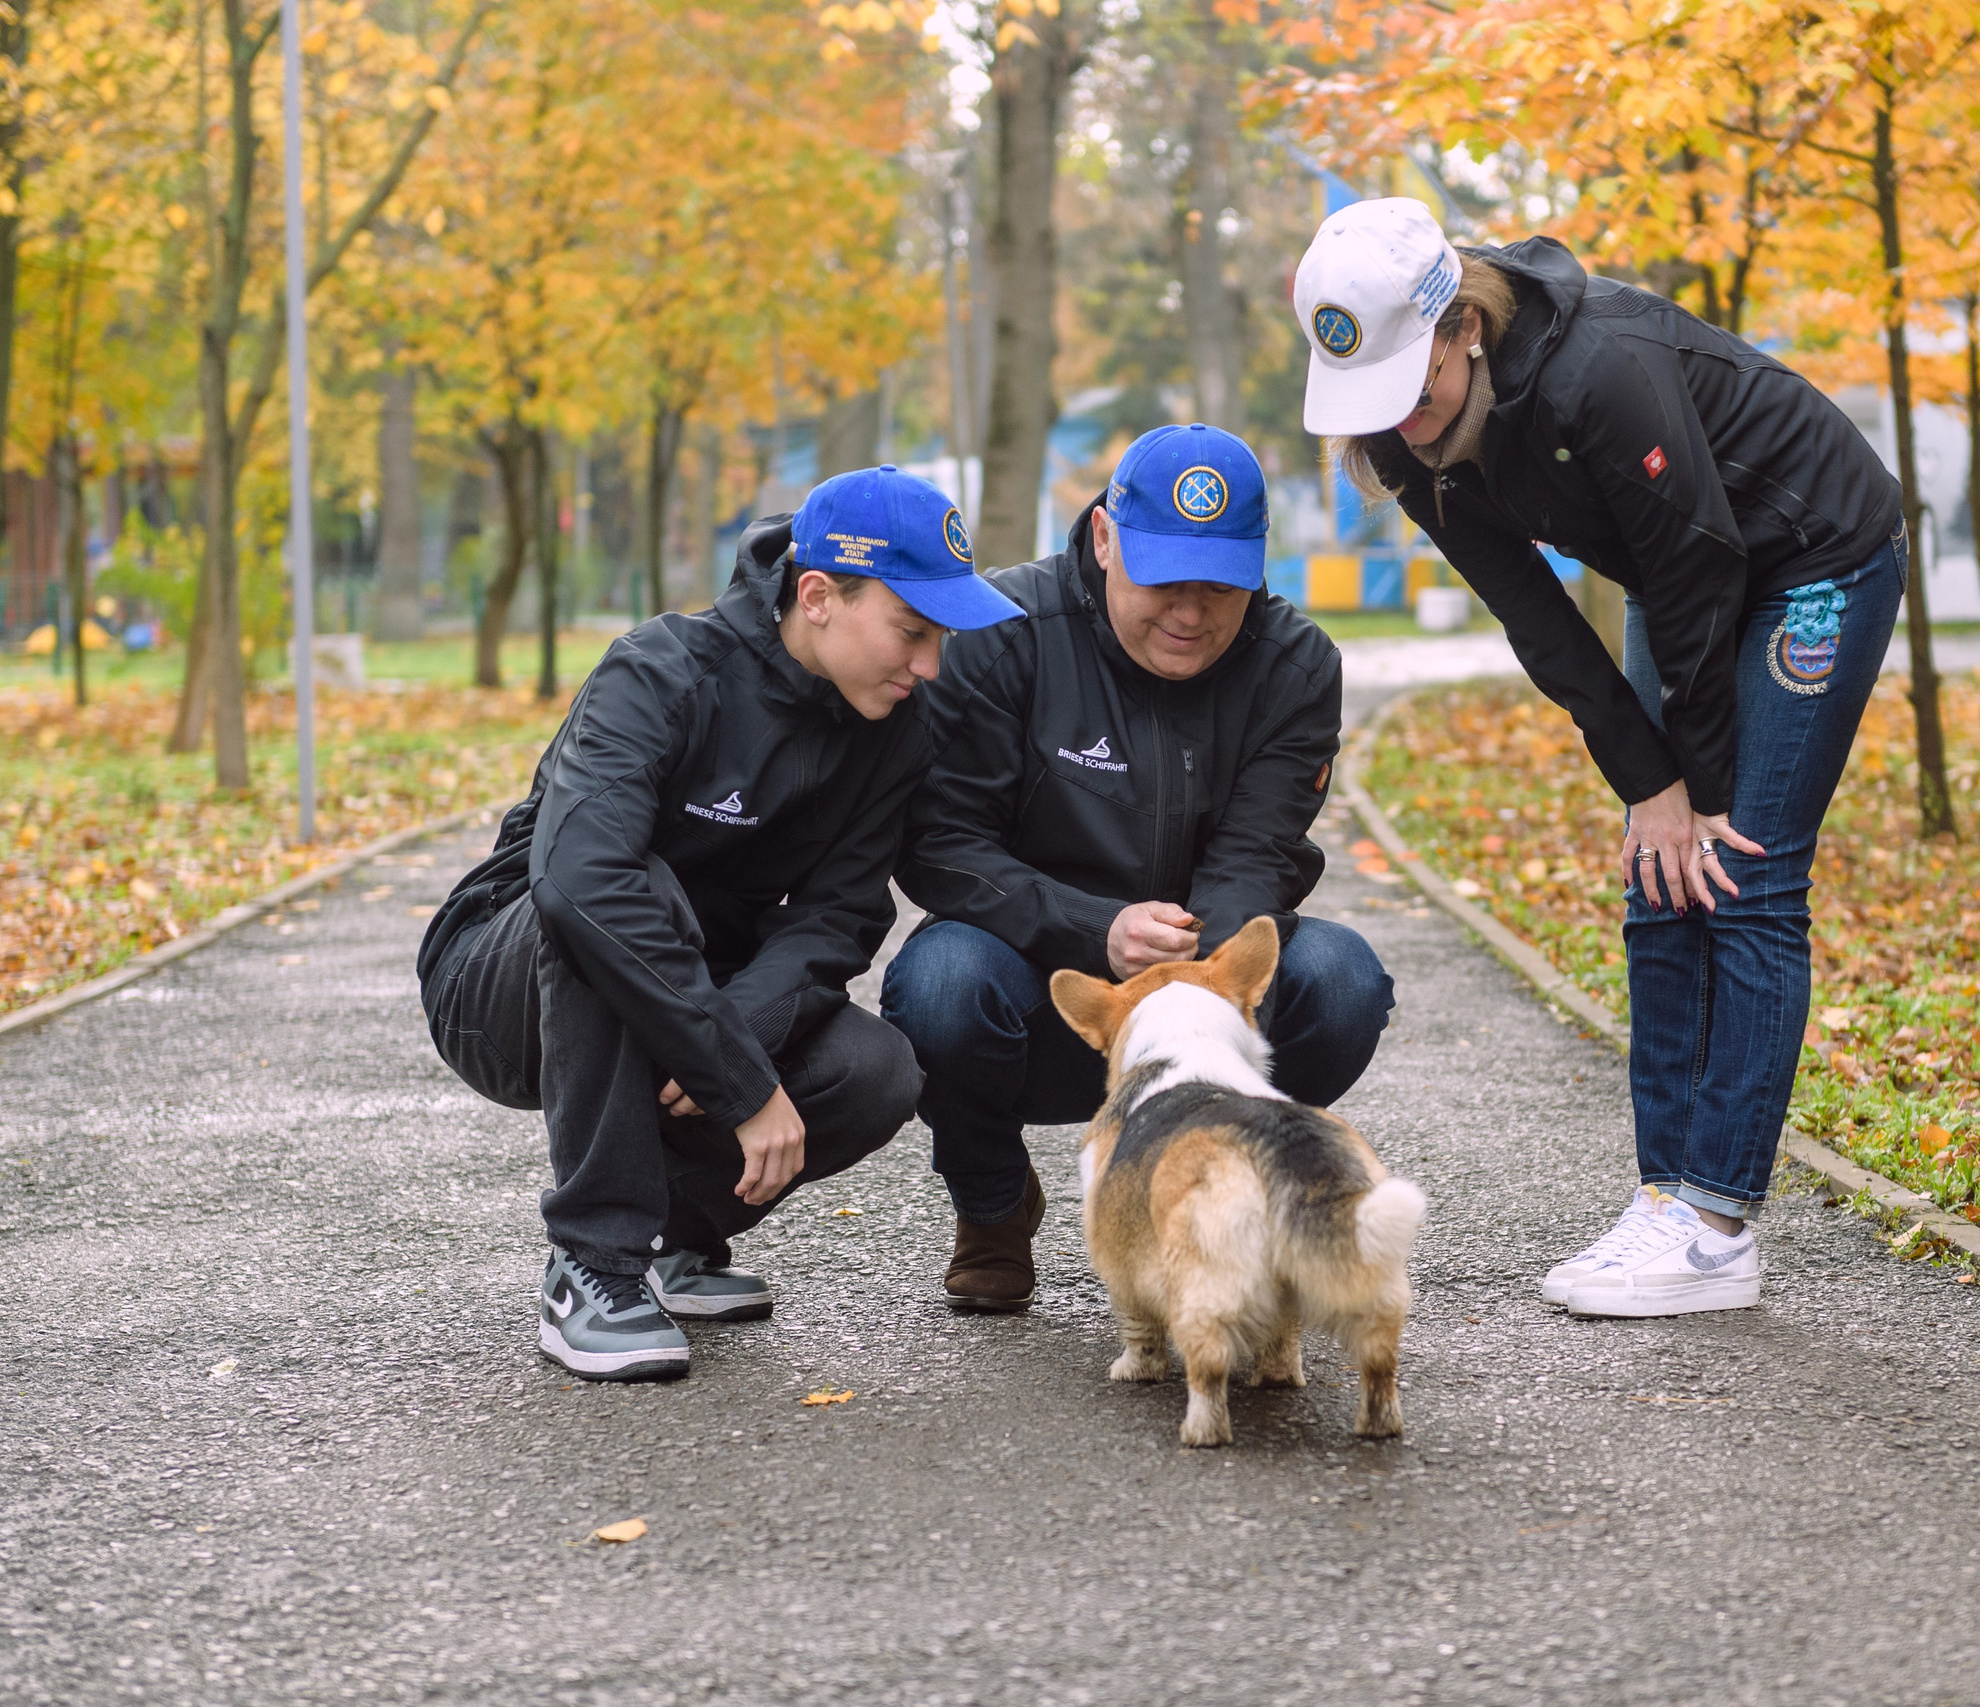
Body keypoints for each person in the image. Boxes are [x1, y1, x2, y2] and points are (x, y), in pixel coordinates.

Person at [1294, 198, 1904, 1319]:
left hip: (1812, 554)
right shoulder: (1398, 436)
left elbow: (1700, 574)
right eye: (1375, 402)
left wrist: (1701, 792)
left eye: (1415, 390)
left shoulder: (1597, 372)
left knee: (1744, 866)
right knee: (1658, 869)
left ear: (1462, 326)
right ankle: (1666, 1197)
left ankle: (1717, 1229)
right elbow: (1536, 616)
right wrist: (1649, 787)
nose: (1403, 426)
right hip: (1675, 571)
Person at [418, 467, 1024, 1381]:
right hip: (501, 978)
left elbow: (838, 916)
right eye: (912, 631)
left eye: (941, 637)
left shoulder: (897, 726)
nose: (930, 664)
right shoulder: (659, 670)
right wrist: (733, 1073)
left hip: (695, 982)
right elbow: (582, 884)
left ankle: (672, 1238)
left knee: (875, 1071)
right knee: (630, 894)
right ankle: (592, 1264)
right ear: (817, 596)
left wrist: (733, 1035)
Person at [885, 423, 1395, 1310]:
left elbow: (1255, 855)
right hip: (1036, 981)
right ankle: (993, 1206)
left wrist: (1195, 987)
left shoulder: (1298, 665)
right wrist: (1096, 928)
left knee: (1343, 979)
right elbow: (941, 843)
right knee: (938, 984)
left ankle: (1244, 1189)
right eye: (1164, 581)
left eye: (1220, 586)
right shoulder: (1002, 635)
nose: (1191, 615)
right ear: (1103, 538)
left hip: (1203, 983)